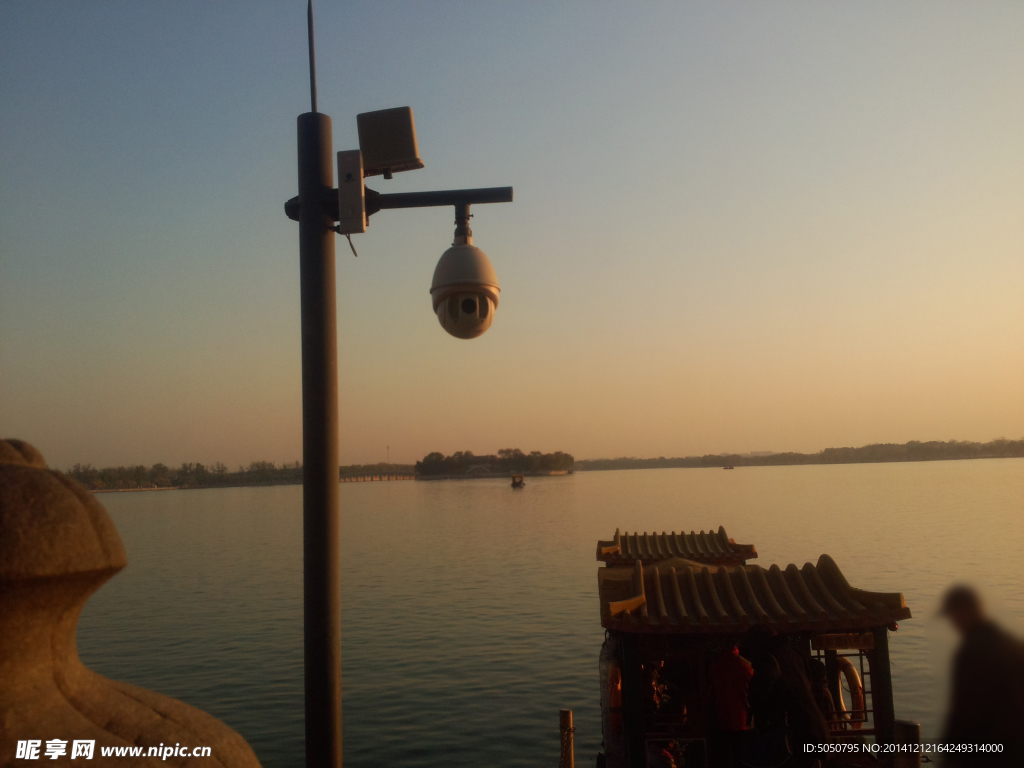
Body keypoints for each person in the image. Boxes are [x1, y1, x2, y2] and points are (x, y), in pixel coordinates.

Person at [940, 584, 1024, 766]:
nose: (953, 623)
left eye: (954, 615)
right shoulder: (1013, 644)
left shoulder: (973, 651)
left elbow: (966, 712)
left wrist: (951, 756)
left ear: (965, 612)